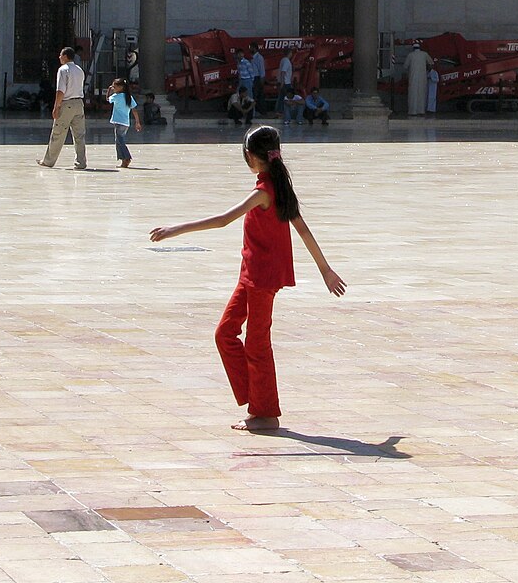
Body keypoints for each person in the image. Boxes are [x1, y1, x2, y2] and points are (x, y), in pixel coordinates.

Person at [149, 124, 344, 431]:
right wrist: (325, 270)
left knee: (257, 344)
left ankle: (266, 413)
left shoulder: (265, 191)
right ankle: (255, 401)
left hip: (263, 279)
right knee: (225, 333)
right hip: (250, 276)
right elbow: (303, 230)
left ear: (252, 158)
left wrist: (175, 229)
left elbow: (224, 220)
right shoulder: (276, 186)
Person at [39, 45, 88, 169]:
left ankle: (48, 161)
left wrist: (56, 106)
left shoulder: (63, 69)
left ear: (65, 56)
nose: (59, 57)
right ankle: (81, 162)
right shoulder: (79, 69)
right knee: (79, 135)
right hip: (79, 103)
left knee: (58, 133)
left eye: (61, 55)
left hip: (67, 104)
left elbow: (61, 90)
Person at [109, 77, 141, 167]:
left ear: (121, 87)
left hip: (118, 122)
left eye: (114, 87)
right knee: (119, 140)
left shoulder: (116, 96)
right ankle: (123, 160)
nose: (113, 88)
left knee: (120, 141)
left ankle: (126, 158)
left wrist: (109, 91)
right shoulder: (129, 97)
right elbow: (134, 110)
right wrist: (137, 122)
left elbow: (108, 99)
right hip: (125, 122)